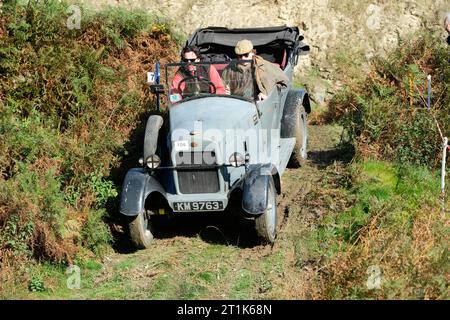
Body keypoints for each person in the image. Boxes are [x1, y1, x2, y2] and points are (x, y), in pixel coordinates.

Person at [222, 39, 288, 101]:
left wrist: (267, 93)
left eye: (246, 55)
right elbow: (222, 86)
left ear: (252, 52)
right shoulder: (230, 69)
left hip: (255, 103)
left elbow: (283, 80)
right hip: (234, 102)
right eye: (240, 56)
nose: (243, 58)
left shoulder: (262, 66)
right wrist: (225, 91)